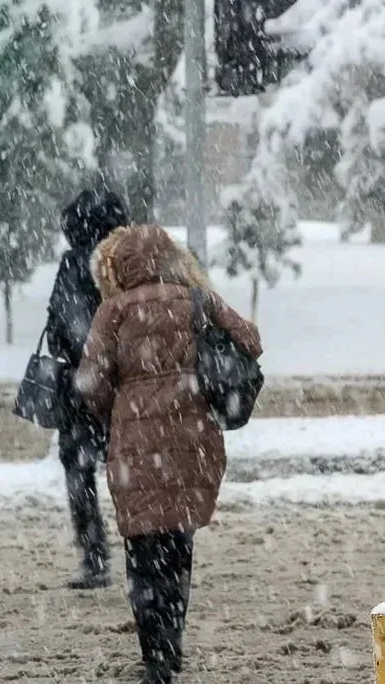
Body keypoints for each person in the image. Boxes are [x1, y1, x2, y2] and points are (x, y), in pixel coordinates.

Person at [76, 224, 262, 684]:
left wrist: (115, 408)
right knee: (178, 547)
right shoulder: (196, 299)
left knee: (142, 552)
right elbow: (251, 341)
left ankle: (154, 656)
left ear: (121, 267)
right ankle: (172, 645)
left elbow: (91, 383)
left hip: (133, 447)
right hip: (191, 441)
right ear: (170, 258)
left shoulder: (112, 312)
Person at [43, 187, 129, 589]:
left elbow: (63, 325)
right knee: (132, 469)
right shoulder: (129, 261)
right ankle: (144, 549)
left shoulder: (76, 264)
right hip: (128, 383)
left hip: (82, 388)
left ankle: (95, 557)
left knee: (79, 471)